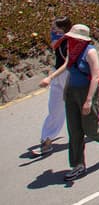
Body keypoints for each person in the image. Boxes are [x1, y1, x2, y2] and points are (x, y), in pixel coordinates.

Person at [50, 24, 99, 179]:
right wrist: (65, 91)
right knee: (74, 130)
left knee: (91, 130)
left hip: (87, 92)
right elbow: (69, 69)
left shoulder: (90, 52)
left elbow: (95, 77)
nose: (70, 39)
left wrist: (88, 101)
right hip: (72, 92)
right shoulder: (72, 49)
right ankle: (78, 165)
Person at [38, 17, 73, 155]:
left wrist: (50, 77)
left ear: (63, 30)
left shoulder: (69, 42)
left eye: (55, 28)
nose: (52, 30)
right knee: (55, 108)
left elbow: (67, 63)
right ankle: (47, 139)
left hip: (67, 76)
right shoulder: (58, 40)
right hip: (57, 75)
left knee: (80, 106)